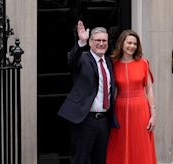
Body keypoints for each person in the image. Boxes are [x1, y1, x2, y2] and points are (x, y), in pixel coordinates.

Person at [58, 20, 118, 164]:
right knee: (80, 160)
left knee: (100, 160)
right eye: (97, 40)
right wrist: (81, 43)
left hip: (104, 121)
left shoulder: (109, 62)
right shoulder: (83, 58)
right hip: (85, 120)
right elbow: (72, 60)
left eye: (104, 40)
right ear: (90, 42)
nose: (101, 43)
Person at [106, 30, 157, 164]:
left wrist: (153, 114)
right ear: (122, 44)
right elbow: (112, 90)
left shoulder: (144, 63)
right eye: (129, 42)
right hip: (120, 109)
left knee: (140, 144)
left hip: (141, 108)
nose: (132, 46)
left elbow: (149, 89)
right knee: (120, 143)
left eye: (135, 43)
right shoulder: (113, 64)